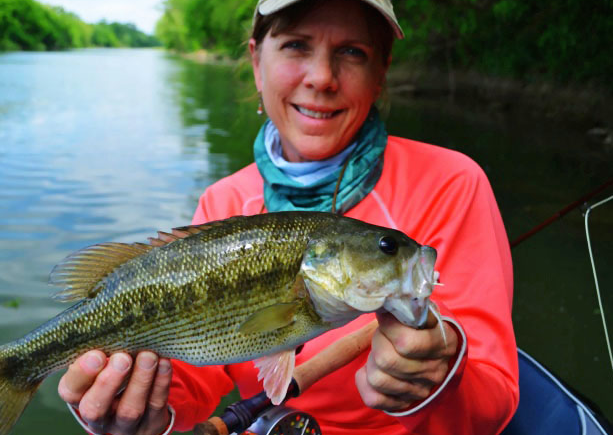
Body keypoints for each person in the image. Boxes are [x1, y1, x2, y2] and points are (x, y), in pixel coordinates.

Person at [57, 0, 519, 433]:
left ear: (382, 72)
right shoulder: (224, 200)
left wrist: (445, 379)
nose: (321, 76)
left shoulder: (451, 183)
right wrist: (135, 410)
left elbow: (493, 404)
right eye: (297, 44)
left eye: (353, 52)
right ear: (257, 62)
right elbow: (195, 382)